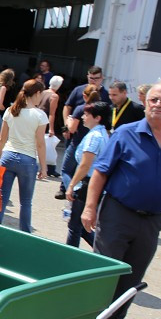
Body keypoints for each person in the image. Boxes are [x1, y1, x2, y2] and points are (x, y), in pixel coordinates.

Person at [82, 82, 161, 319]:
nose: (158, 105)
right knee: (106, 272)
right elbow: (101, 172)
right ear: (146, 103)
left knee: (133, 275)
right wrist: (89, 206)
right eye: (153, 99)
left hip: (152, 219)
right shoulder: (126, 133)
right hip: (119, 213)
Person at [0, 79, 47, 233]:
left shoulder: (11, 110)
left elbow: (2, 138)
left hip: (7, 155)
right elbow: (40, 144)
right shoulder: (40, 115)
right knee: (26, 202)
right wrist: (44, 166)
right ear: (37, 93)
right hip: (27, 159)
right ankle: (25, 233)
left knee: (1, 197)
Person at [64, 102, 112, 248]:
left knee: (75, 226)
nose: (83, 117)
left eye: (86, 114)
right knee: (82, 225)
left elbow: (85, 164)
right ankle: (102, 252)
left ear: (97, 118)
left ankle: (69, 257)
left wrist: (71, 185)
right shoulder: (102, 133)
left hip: (86, 184)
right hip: (92, 184)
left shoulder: (94, 136)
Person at [57, 84, 100, 200]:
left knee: (66, 170)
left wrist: (69, 120)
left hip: (77, 143)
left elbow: (71, 128)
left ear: (84, 96)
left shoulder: (81, 108)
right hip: (95, 145)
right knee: (86, 172)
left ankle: (73, 193)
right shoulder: (101, 108)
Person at [40, 75, 63, 175]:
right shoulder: (54, 96)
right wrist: (51, 129)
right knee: (46, 145)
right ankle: (49, 168)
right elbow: (51, 113)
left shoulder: (42, 92)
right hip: (44, 121)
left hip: (36, 118)